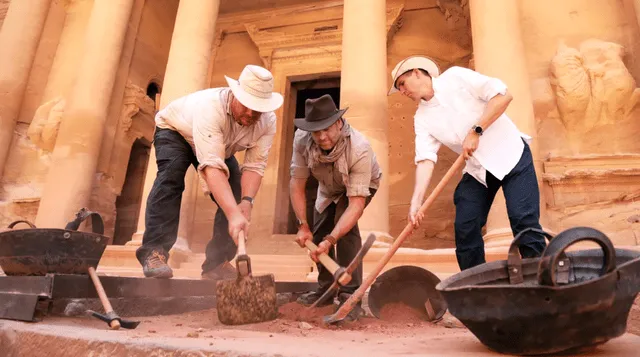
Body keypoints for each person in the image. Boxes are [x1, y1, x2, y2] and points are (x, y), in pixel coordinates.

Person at [388, 55, 546, 270]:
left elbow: (503, 96)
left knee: (523, 221)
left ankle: (541, 280)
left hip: (512, 156)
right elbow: (425, 159)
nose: (403, 92)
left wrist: (476, 130)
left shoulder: (456, 77)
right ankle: (474, 289)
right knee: (465, 226)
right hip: (479, 170)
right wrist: (416, 202)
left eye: (402, 84)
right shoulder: (422, 118)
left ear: (417, 72)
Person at [136, 64, 283, 279]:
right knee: (171, 178)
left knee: (233, 193)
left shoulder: (268, 121)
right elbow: (212, 167)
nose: (251, 113)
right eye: (246, 105)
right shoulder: (211, 106)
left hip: (218, 144)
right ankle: (154, 252)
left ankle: (217, 264)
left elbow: (254, 166)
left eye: (257, 108)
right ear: (235, 94)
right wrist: (233, 215)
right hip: (177, 131)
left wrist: (246, 202)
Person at [289, 94, 381, 316]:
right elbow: (297, 184)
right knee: (319, 231)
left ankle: (351, 296)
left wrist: (332, 240)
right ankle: (326, 290)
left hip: (360, 186)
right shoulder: (302, 139)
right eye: (316, 130)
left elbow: (356, 204)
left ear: (339, 123)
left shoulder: (360, 148)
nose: (321, 137)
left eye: (326, 129)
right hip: (327, 187)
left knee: (345, 232)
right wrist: (302, 225)